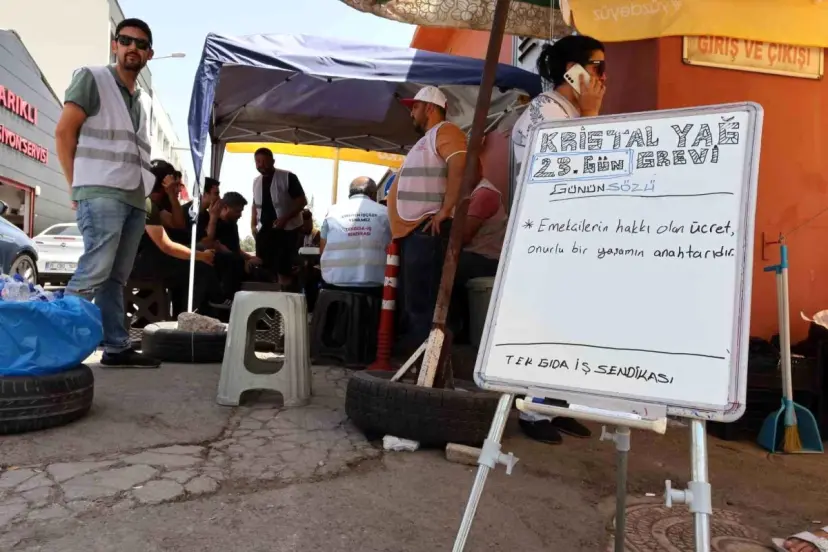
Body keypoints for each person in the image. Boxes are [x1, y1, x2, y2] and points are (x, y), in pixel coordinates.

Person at [509, 34, 607, 445]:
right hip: (547, 236)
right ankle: (533, 410)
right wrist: (591, 115)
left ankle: (557, 403)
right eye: (598, 67)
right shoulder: (545, 112)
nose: (604, 77)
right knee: (545, 324)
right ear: (573, 70)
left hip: (568, 235)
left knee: (569, 323)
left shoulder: (566, 111)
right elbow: (575, 171)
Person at [55, 18, 158, 368]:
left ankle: (116, 345)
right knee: (94, 272)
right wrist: (75, 185)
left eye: (141, 44)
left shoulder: (142, 101)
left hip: (133, 198)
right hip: (100, 192)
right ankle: (58, 345)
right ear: (115, 45)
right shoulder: (93, 78)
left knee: (115, 277)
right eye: (125, 40)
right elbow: (64, 133)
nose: (132, 48)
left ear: (149, 54)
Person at [387, 86, 467, 353]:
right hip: (416, 231)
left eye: (416, 107)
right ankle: (421, 358)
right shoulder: (428, 139)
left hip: (427, 229)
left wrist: (446, 209)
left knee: (424, 301)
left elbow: (459, 165)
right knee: (417, 300)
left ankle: (426, 361)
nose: (412, 112)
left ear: (430, 108)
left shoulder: (446, 131)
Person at [132, 161, 228, 315]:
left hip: (150, 261)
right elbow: (167, 246)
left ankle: (185, 313)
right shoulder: (146, 203)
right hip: (141, 264)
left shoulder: (156, 205)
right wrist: (200, 256)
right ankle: (188, 316)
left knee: (192, 265)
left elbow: (178, 223)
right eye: (176, 185)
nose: (179, 189)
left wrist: (172, 195)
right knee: (199, 268)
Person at [451, 162, 508, 342]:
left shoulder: (484, 193)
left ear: (478, 171)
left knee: (447, 269)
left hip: (487, 259)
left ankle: (456, 330)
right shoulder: (471, 192)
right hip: (476, 256)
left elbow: (464, 235)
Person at [319, 177, 390, 296]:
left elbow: (323, 248)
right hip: (375, 286)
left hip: (334, 285)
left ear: (350, 193)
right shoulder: (385, 212)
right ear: (373, 194)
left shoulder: (332, 212)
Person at [251, 147, 308, 289]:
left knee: (284, 269)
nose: (261, 165)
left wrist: (285, 218)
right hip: (265, 230)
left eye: (264, 161)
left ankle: (287, 296)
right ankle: (270, 297)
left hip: (288, 230)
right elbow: (255, 204)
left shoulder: (288, 177)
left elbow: (302, 201)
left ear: (273, 161)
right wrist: (253, 225)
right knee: (264, 267)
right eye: (258, 162)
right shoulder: (256, 181)